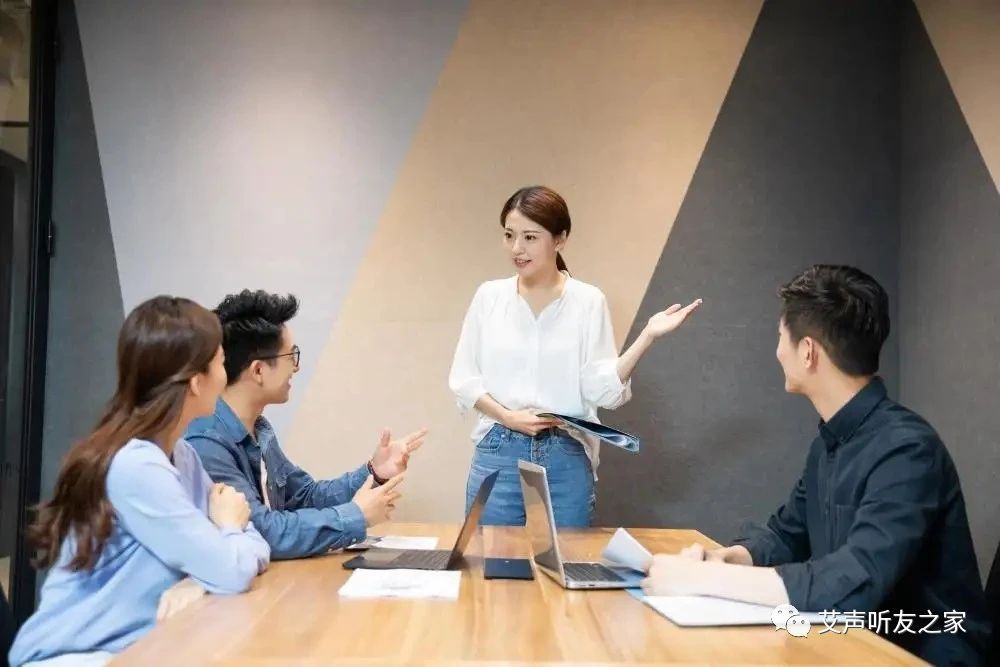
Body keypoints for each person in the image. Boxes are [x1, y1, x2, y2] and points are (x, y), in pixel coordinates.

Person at [641, 265, 990, 666]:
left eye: (780, 337)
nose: (777, 352)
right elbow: (789, 535)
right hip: (851, 644)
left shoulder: (907, 449)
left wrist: (709, 581)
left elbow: (857, 579)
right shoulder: (829, 441)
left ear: (807, 351)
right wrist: (728, 558)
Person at [9, 296, 270, 667]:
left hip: (136, 651)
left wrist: (199, 579)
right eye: (221, 362)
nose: (225, 376)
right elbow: (231, 568)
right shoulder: (136, 467)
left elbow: (254, 546)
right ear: (196, 381)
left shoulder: (183, 456)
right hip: (75, 658)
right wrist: (228, 531)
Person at [449, 185, 701, 527]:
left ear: (560, 239)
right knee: (490, 558)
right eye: (509, 235)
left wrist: (647, 336)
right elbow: (464, 380)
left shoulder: (588, 301)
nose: (517, 248)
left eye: (530, 237)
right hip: (498, 446)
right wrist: (508, 417)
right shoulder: (489, 297)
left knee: (567, 559)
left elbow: (602, 390)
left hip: (564, 450)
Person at [186, 290, 426, 559]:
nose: (296, 368)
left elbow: (306, 496)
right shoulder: (207, 443)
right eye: (291, 356)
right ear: (258, 371)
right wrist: (355, 516)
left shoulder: (260, 429)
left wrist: (374, 471)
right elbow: (263, 531)